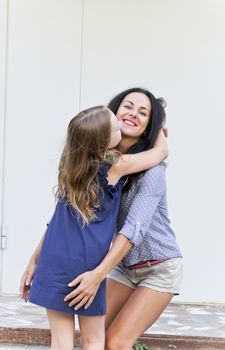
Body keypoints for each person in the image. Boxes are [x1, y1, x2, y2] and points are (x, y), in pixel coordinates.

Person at [21, 104, 167, 350]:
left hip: (52, 260)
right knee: (93, 340)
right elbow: (161, 152)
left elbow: (58, 220)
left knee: (60, 342)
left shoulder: (70, 169)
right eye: (115, 125)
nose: (121, 124)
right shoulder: (115, 166)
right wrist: (158, 127)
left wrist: (34, 259)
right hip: (87, 264)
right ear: (104, 141)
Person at [62, 88, 183, 350]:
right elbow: (69, 213)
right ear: (113, 112)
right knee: (92, 338)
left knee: (116, 343)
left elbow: (133, 229)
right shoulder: (99, 163)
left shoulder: (153, 172)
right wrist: (37, 257)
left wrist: (97, 275)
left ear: (150, 126)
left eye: (143, 113)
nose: (133, 114)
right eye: (128, 106)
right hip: (124, 267)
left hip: (159, 267)